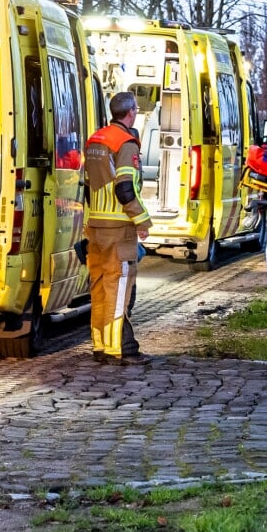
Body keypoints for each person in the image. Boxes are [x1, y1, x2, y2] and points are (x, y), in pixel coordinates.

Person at [83, 91, 152, 365]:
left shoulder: (95, 140)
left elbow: (88, 186)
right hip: (118, 229)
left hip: (95, 228)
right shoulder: (126, 143)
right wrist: (142, 220)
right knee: (119, 288)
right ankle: (117, 350)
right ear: (131, 112)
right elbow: (125, 189)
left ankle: (99, 345)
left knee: (98, 288)